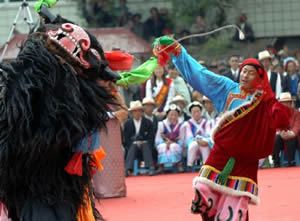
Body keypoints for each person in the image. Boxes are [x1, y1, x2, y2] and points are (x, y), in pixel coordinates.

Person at [153, 37, 290, 220]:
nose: (244, 75)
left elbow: (279, 120)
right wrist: (178, 51)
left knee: (235, 203)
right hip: (222, 152)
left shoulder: (263, 102)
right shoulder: (227, 88)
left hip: (245, 157)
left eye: (250, 73)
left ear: (259, 78)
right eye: (243, 71)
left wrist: (283, 127)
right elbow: (201, 75)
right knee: (203, 188)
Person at [93, 81, 128, 199]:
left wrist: (111, 115)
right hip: (98, 127)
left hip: (113, 129)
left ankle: (116, 189)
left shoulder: (115, 93)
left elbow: (124, 110)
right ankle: (99, 190)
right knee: (99, 156)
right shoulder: (93, 92)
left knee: (113, 157)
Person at [123, 101, 156, 176]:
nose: (137, 113)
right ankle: (127, 169)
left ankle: (151, 167)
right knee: (133, 145)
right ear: (131, 113)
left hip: (145, 146)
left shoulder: (148, 123)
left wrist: (142, 142)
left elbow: (151, 137)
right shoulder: (127, 124)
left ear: (142, 112)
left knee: (145, 144)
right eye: (135, 111)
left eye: (139, 110)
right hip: (132, 146)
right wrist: (135, 143)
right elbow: (126, 139)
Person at [273, 92, 300, 167]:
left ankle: (291, 161)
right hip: (281, 136)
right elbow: (275, 126)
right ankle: (276, 161)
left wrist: (290, 134)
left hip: (292, 137)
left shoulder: (296, 113)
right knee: (276, 138)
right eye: (283, 103)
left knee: (291, 138)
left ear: (291, 103)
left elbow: (296, 126)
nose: (285, 104)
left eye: (287, 102)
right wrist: (280, 132)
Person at [155, 104, 184, 173]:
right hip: (164, 143)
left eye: (175, 115)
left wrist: (174, 142)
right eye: (171, 115)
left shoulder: (181, 125)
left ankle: (178, 165)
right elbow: (158, 138)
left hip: (176, 144)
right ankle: (161, 166)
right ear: (167, 115)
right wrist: (164, 142)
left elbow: (182, 139)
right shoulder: (161, 124)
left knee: (173, 146)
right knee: (162, 146)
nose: (173, 117)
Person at [184, 101, 210, 171]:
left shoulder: (206, 122)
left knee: (205, 145)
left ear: (201, 112)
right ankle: (189, 165)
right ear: (190, 113)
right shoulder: (187, 123)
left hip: (203, 140)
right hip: (193, 141)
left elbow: (208, 134)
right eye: (194, 112)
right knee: (193, 145)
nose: (196, 114)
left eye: (198, 111)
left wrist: (203, 140)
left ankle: (206, 165)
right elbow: (189, 136)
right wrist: (196, 140)